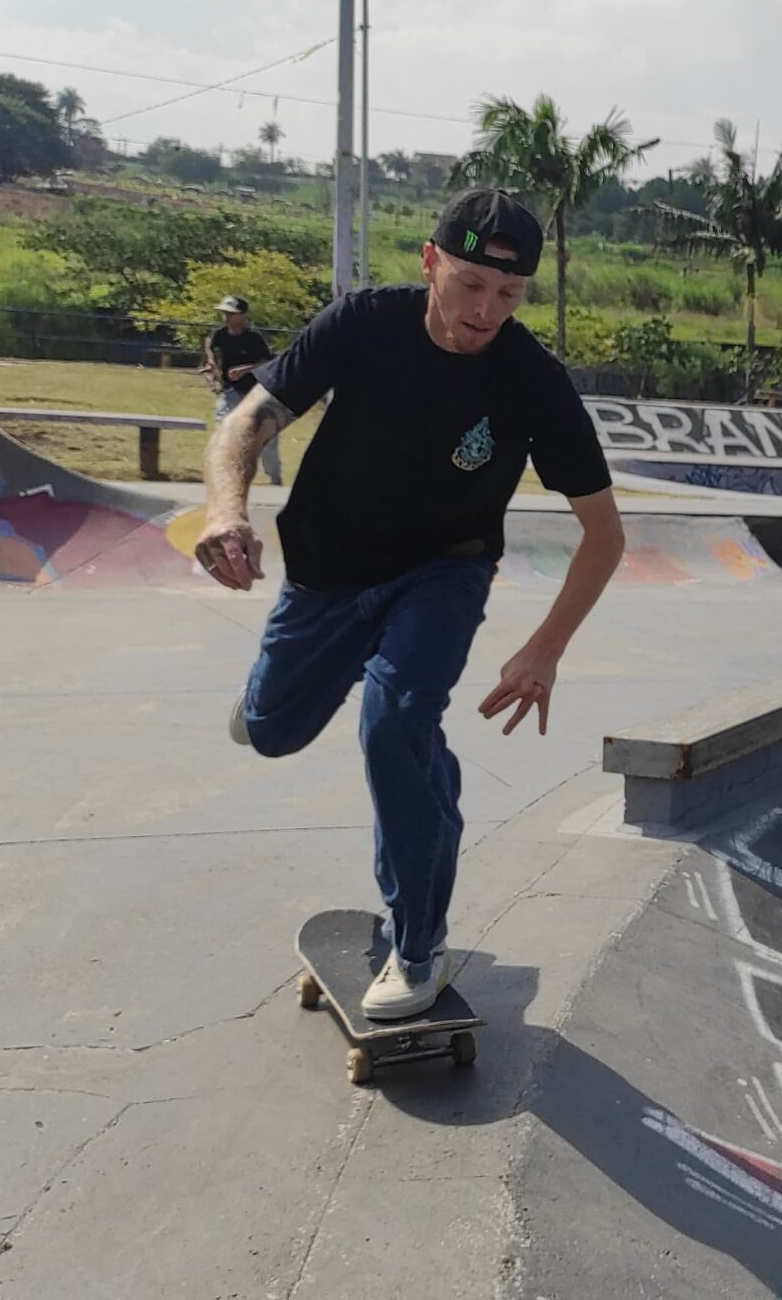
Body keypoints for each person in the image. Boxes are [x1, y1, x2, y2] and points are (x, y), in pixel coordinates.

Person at [195, 189, 628, 1020]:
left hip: (442, 575)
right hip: (327, 573)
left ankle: (417, 943)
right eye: (469, 285)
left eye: (508, 296)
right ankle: (331, 726)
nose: (485, 312)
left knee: (394, 725)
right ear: (430, 262)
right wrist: (225, 511)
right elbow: (245, 423)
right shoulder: (361, 325)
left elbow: (604, 533)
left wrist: (544, 650)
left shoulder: (532, 379)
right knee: (271, 731)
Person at [204, 296, 284, 485]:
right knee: (224, 427)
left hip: (258, 391)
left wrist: (244, 369)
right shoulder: (220, 335)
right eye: (225, 313)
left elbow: (266, 362)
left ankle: (275, 480)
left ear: (242, 316)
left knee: (266, 436)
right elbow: (212, 356)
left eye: (231, 313)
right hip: (231, 391)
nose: (226, 316)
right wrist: (211, 371)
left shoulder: (253, 338)